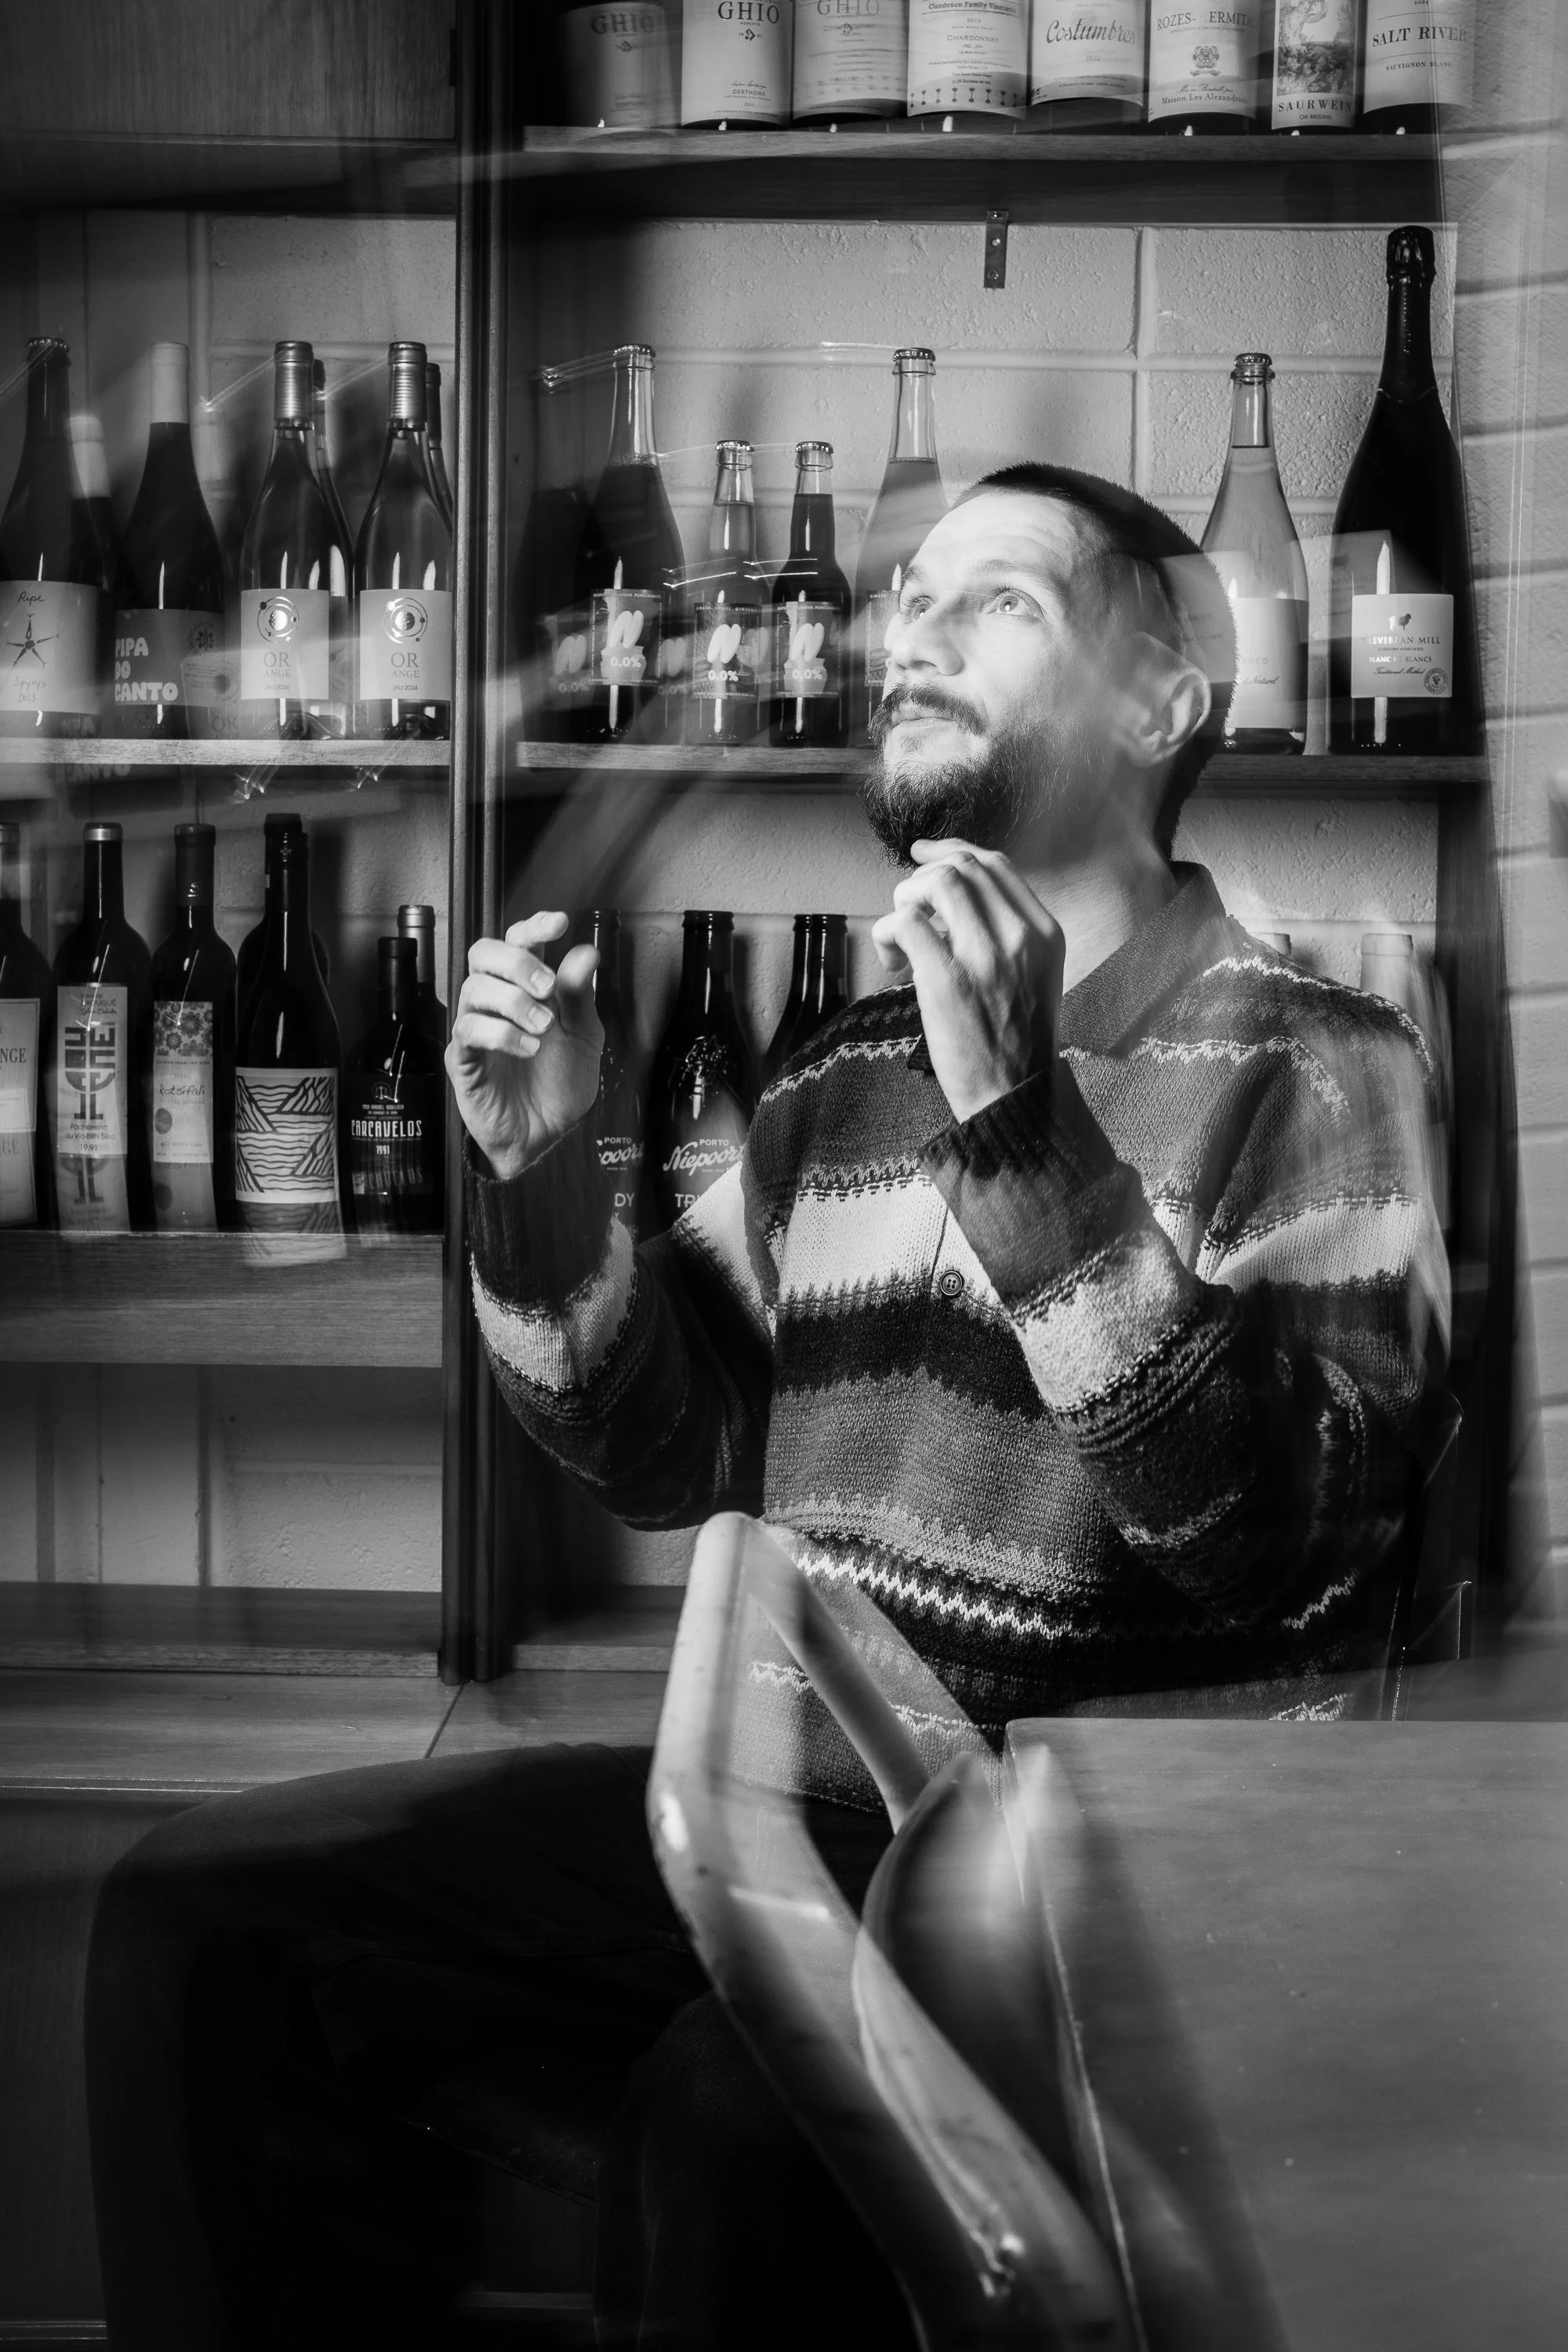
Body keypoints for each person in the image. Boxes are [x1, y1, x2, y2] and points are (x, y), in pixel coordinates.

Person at [85, 466, 1446, 2352]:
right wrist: (547, 1176)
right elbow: (660, 1452)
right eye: (915, 604)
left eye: (1002, 606)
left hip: (1087, 1908)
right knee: (206, 1918)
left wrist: (1026, 1142)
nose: (912, 637)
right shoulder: (841, 1076)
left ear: (1162, 701)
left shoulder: (1323, 1055)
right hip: (776, 1832)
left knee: (730, 2123)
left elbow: (1275, 1546)